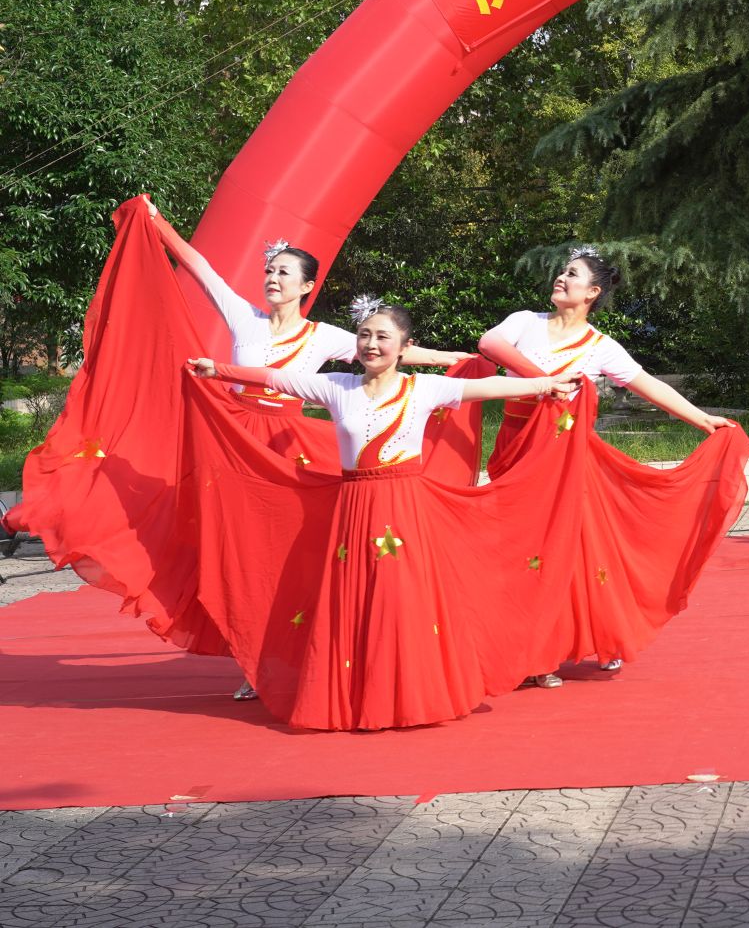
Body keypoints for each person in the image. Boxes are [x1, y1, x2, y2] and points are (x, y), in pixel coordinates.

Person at [186, 298, 583, 729]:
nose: (371, 344)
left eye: (382, 337)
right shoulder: (337, 386)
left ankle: (409, 694)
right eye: (364, 335)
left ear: (405, 347)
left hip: (404, 507)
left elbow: (488, 389)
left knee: (400, 598)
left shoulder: (423, 388)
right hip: (354, 508)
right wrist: (217, 370)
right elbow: (275, 378)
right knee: (354, 598)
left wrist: (547, 384)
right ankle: (354, 695)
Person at [476, 246, 739, 683]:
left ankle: (567, 646)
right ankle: (526, 648)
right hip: (516, 452)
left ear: (592, 292)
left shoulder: (599, 346)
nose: (562, 278)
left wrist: (702, 419)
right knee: (519, 552)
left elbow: (647, 385)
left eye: (572, 274)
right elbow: (489, 344)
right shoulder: (525, 322)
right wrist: (547, 381)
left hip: (567, 463)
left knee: (571, 551)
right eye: (562, 271)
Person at [151, 206, 470, 466]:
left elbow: (385, 350)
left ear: (306, 286)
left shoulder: (321, 336)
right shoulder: (244, 317)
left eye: (283, 272)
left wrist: (448, 358)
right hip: (234, 426)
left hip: (284, 434)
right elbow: (201, 269)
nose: (272, 278)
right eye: (269, 271)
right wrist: (157, 222)